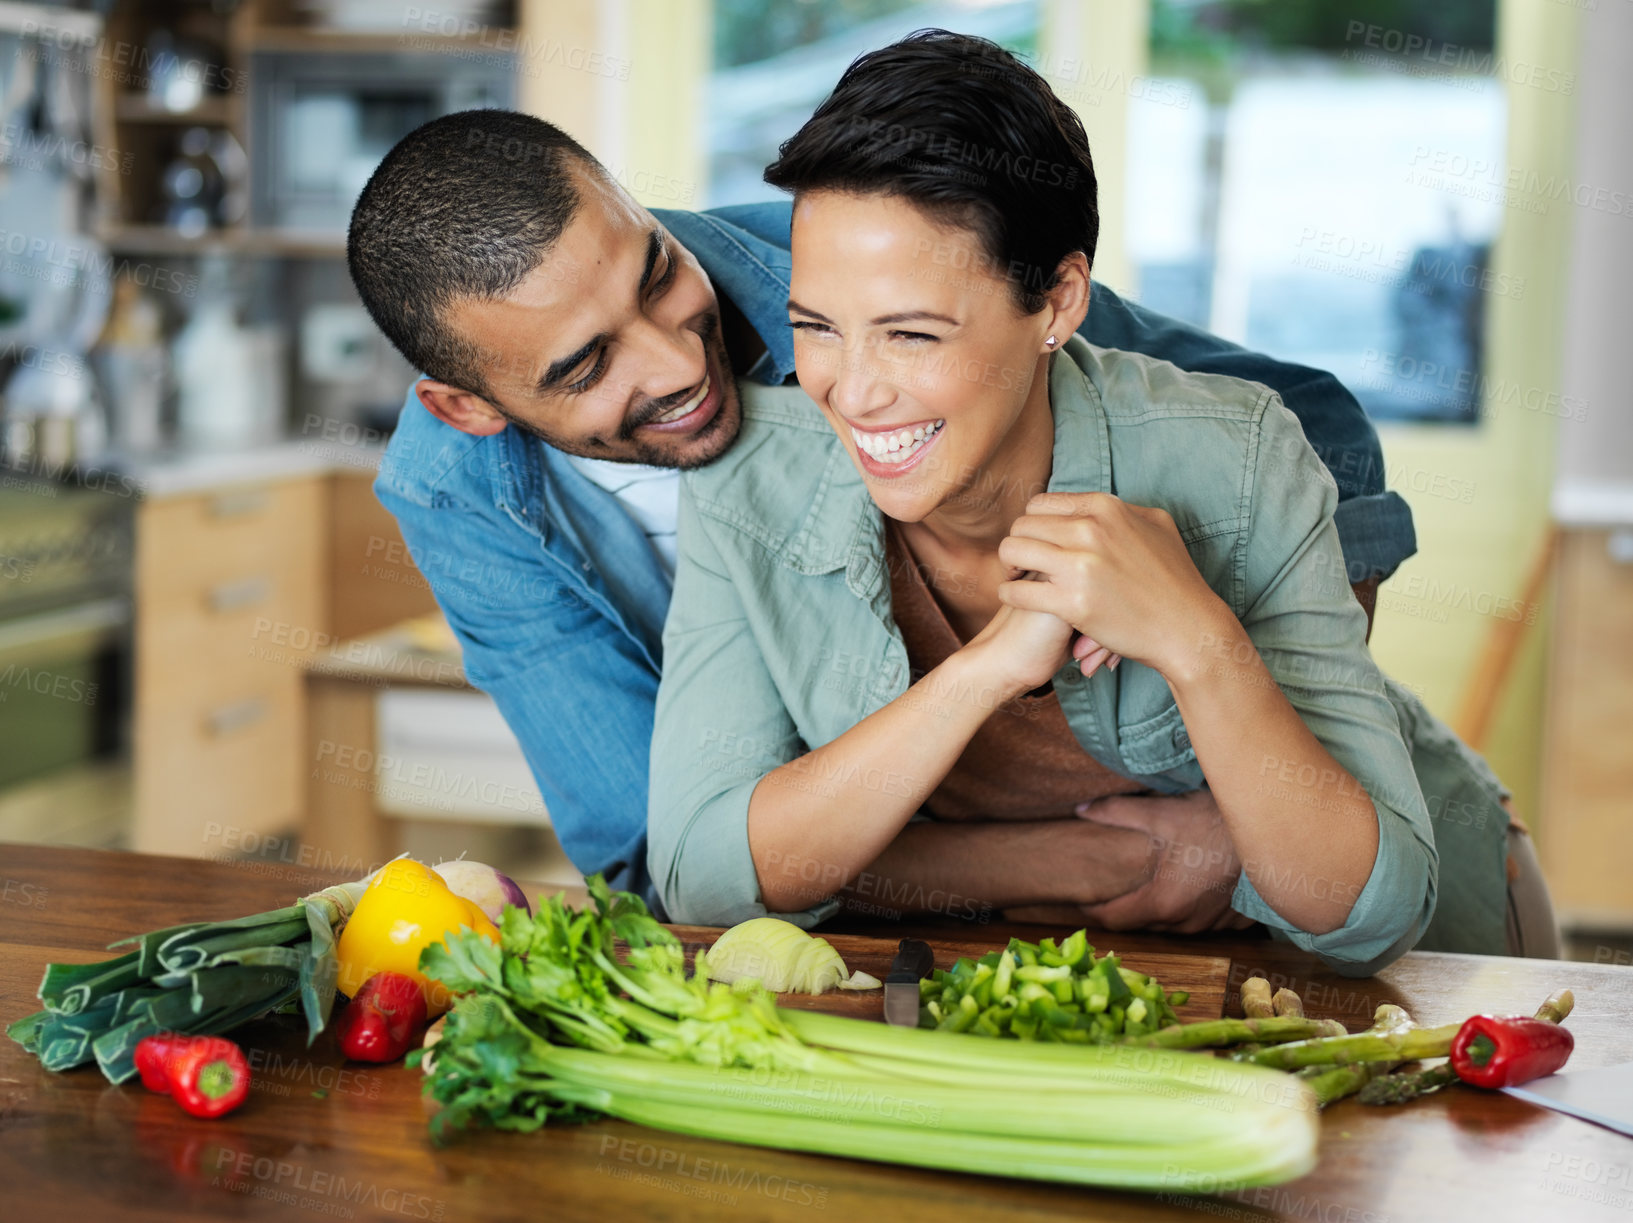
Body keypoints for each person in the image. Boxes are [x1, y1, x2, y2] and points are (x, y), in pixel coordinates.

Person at [346, 107, 1415, 927]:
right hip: (923, 911)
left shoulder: (859, 260)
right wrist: (1112, 859)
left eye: (656, 271)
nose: (678, 361)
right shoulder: (453, 493)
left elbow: (1305, 421)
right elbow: (654, 858)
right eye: (586, 365)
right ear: (468, 406)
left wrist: (1261, 733)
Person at [646, 30, 1555, 971]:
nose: (854, 390)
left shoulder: (1238, 455)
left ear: (1057, 303)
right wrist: (994, 685)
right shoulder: (748, 476)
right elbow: (702, 875)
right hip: (1023, 989)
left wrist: (1197, 639)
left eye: (911, 335)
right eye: (817, 327)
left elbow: (1370, 912)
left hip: (1429, 972)